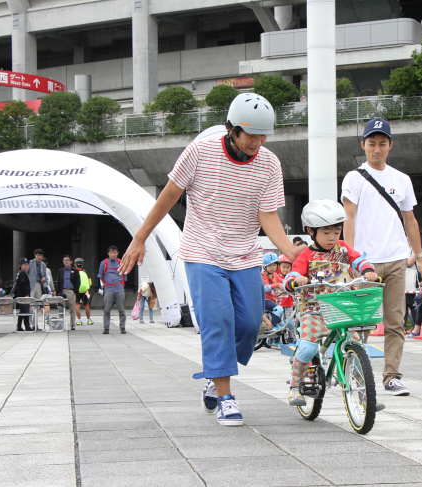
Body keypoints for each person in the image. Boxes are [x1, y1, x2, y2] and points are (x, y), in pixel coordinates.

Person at [117, 93, 302, 426]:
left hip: (245, 254)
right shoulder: (200, 153)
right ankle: (226, 396)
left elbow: (267, 215)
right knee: (218, 320)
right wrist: (140, 237)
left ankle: (214, 372)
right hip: (202, 250)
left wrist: (289, 249)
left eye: (264, 136)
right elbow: (168, 196)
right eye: (251, 135)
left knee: (248, 325)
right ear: (232, 129)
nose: (258, 142)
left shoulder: (269, 163)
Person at [341, 117, 422, 397]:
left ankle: (392, 376)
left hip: (396, 259)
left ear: (390, 145)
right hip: (365, 261)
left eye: (382, 143)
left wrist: (420, 256)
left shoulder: (401, 179)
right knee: (360, 320)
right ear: (362, 145)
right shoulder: (354, 178)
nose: (376, 149)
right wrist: (350, 258)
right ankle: (356, 370)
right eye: (371, 143)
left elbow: (410, 221)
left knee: (396, 321)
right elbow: (349, 219)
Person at [282, 200, 377, 406]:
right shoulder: (306, 254)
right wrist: (295, 280)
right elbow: (293, 274)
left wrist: (368, 270)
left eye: (337, 231)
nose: (332, 237)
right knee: (307, 349)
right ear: (311, 231)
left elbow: (358, 260)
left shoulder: (343, 248)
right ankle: (295, 387)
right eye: (326, 232)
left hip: (343, 308)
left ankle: (364, 395)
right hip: (314, 311)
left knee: (358, 347)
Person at [98, 246, 126, 335]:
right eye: (111, 252)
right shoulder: (104, 263)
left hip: (119, 289)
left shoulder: (122, 262)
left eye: (115, 252)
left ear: (118, 253)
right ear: (108, 253)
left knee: (121, 310)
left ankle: (122, 328)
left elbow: (124, 276)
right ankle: (106, 328)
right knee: (106, 310)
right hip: (109, 289)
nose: (113, 254)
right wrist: (107, 284)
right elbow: (101, 276)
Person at [56, 255, 79, 331]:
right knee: (60, 308)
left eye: (67, 260)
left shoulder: (74, 271)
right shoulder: (61, 271)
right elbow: (58, 282)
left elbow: (78, 282)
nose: (66, 262)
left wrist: (75, 291)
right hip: (62, 290)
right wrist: (57, 292)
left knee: (72, 308)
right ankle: (60, 324)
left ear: (71, 261)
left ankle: (72, 324)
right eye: (64, 260)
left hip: (71, 291)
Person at [262, 252, 283, 329]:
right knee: (279, 309)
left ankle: (276, 341)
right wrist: (278, 285)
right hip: (265, 301)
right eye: (269, 265)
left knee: (282, 324)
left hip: (273, 301)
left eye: (274, 265)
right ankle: (273, 328)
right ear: (265, 266)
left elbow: (283, 281)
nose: (272, 267)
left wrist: (292, 282)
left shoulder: (275, 275)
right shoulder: (263, 275)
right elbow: (266, 287)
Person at [14, 258, 33, 332]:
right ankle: (26, 326)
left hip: (21, 296)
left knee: (23, 311)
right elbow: (23, 285)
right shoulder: (22, 273)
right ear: (21, 265)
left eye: (27, 264)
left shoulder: (21, 273)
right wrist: (26, 294)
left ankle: (20, 326)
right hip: (23, 296)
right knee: (25, 311)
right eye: (25, 264)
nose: (26, 266)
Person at [74, 258, 93, 326]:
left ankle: (79, 320)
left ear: (75, 264)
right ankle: (88, 320)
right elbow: (90, 283)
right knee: (86, 305)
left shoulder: (74, 272)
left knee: (77, 305)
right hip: (85, 291)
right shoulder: (86, 272)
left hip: (77, 291)